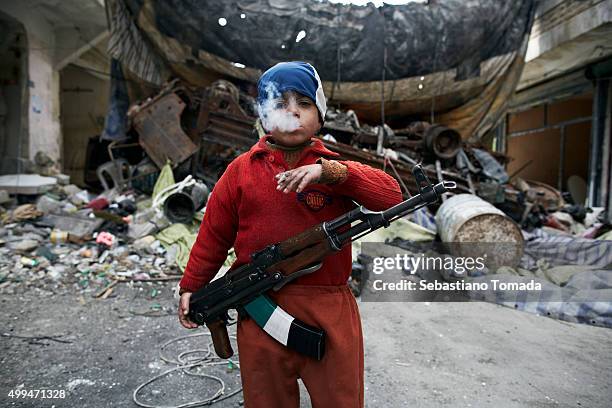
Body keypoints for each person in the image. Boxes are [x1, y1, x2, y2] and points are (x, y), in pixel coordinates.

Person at [177, 61, 402, 407]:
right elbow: (213, 235)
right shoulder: (240, 171)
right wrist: (192, 286)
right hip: (260, 308)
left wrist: (331, 173)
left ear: (320, 114)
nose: (293, 112)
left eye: (304, 103)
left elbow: (391, 196)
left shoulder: (332, 165)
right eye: (280, 104)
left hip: (328, 308)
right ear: (264, 115)